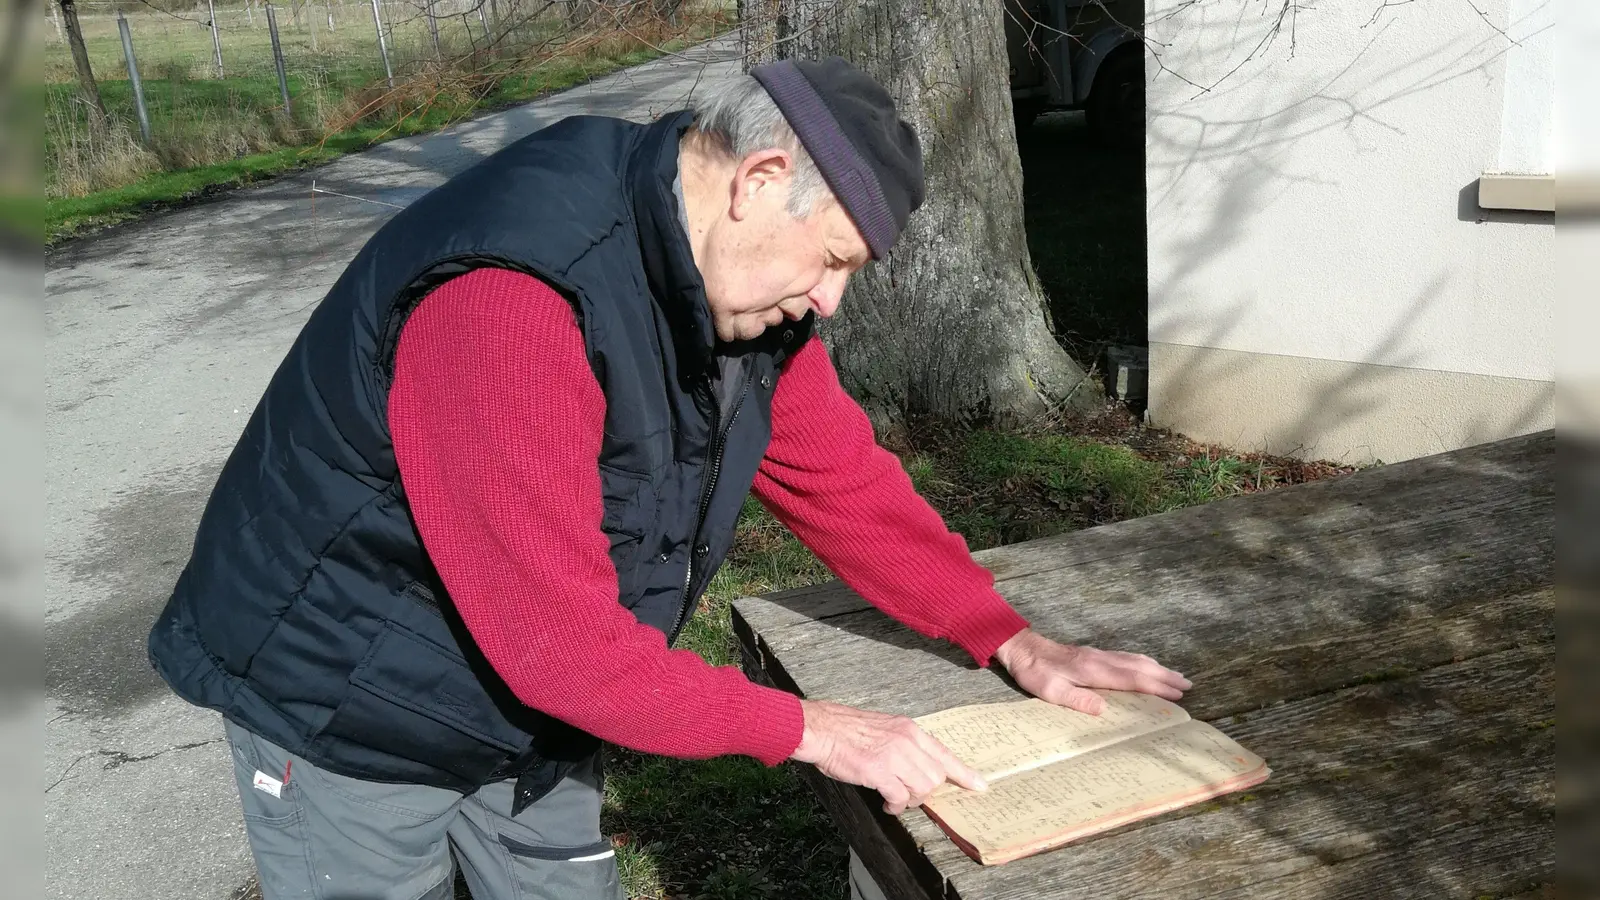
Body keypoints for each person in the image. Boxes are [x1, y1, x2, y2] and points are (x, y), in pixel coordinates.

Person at [147, 56, 1191, 900]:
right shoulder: (513, 302)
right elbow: (560, 649)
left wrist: (1007, 635)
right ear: (759, 181)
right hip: (343, 703)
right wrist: (813, 730)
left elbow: (842, 482)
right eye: (831, 260)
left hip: (531, 705)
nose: (830, 303)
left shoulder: (732, 289)